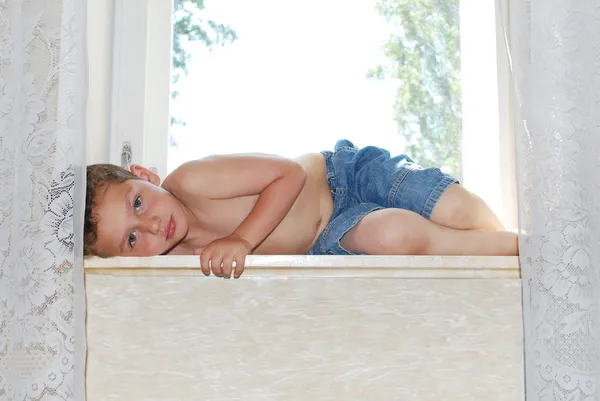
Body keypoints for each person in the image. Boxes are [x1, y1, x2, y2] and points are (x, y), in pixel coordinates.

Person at [84, 139, 518, 278]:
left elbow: (288, 175)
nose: (153, 224)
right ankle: (518, 260)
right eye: (132, 238)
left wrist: (243, 240)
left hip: (342, 177)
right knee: (396, 236)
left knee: (457, 207)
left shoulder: (191, 181)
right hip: (328, 237)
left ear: (144, 174)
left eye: (138, 203)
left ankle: (517, 246)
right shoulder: (178, 264)